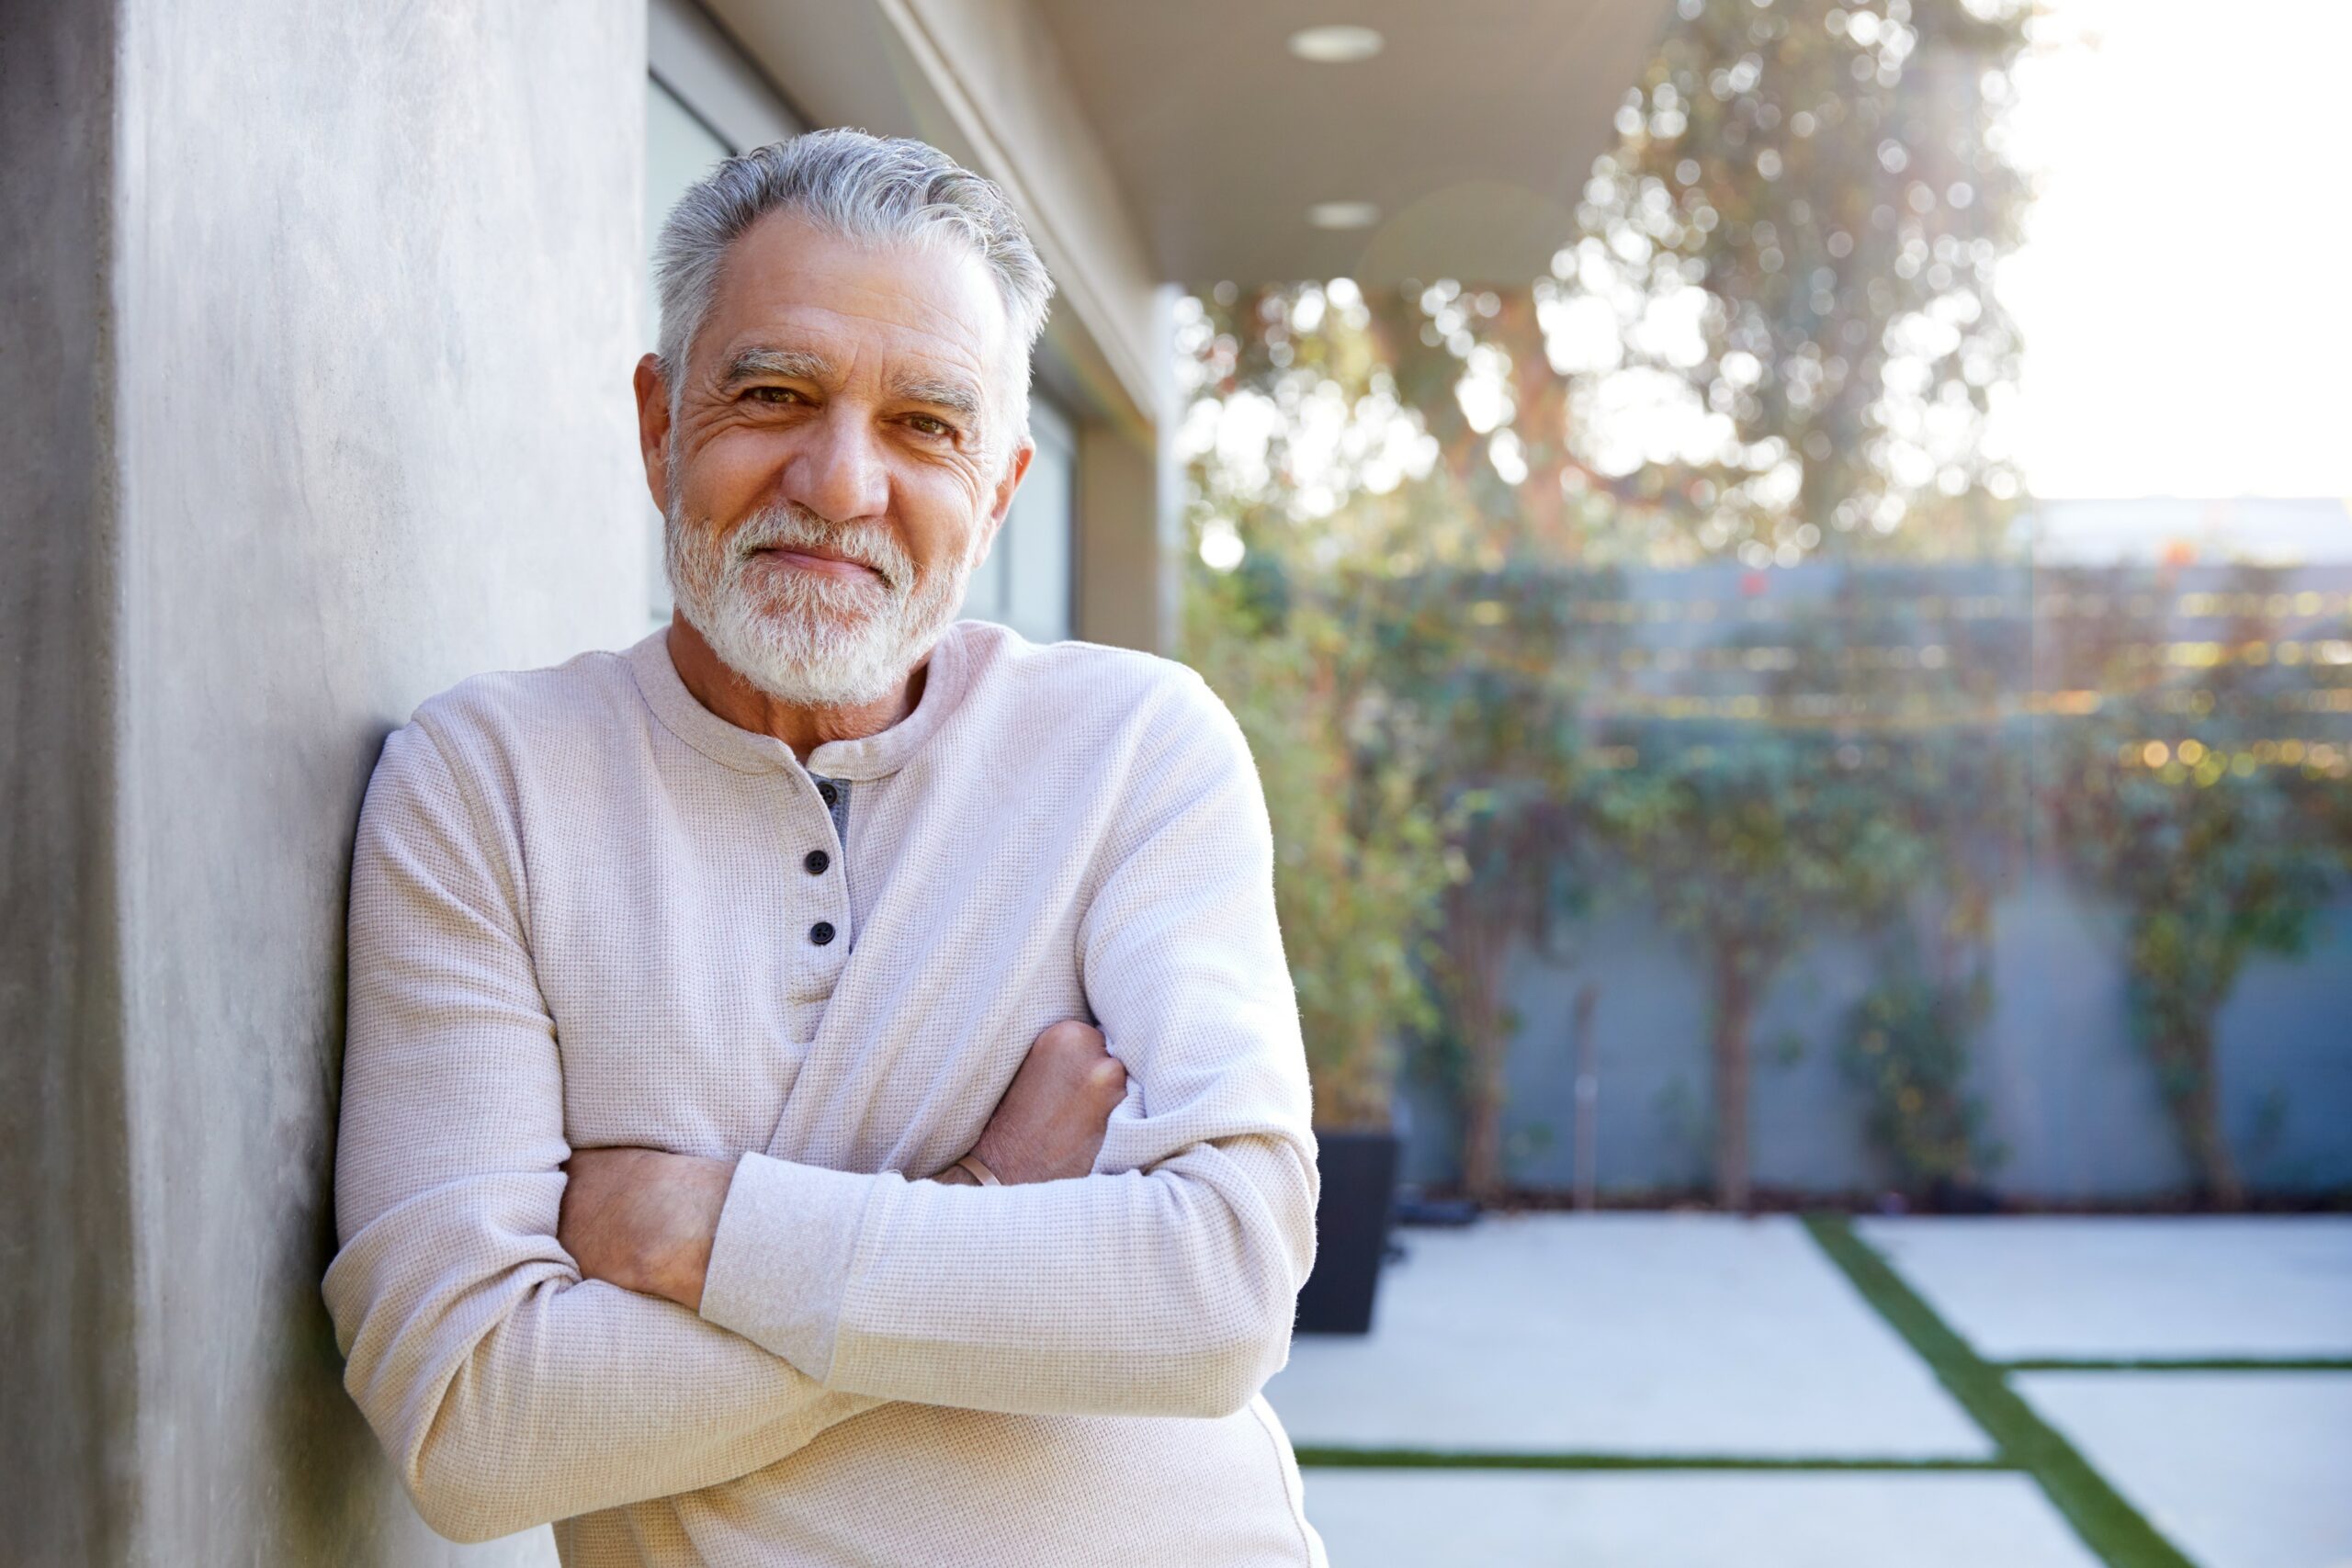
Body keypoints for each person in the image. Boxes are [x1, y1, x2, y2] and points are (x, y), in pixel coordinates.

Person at [322, 129, 1327, 1566]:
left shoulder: (1134, 752)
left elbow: (1222, 1295)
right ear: (660, 421)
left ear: (998, 486)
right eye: (775, 393)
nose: (843, 482)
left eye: (927, 424)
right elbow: (474, 1427)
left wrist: (707, 1235)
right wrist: (989, 1217)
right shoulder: (486, 787)